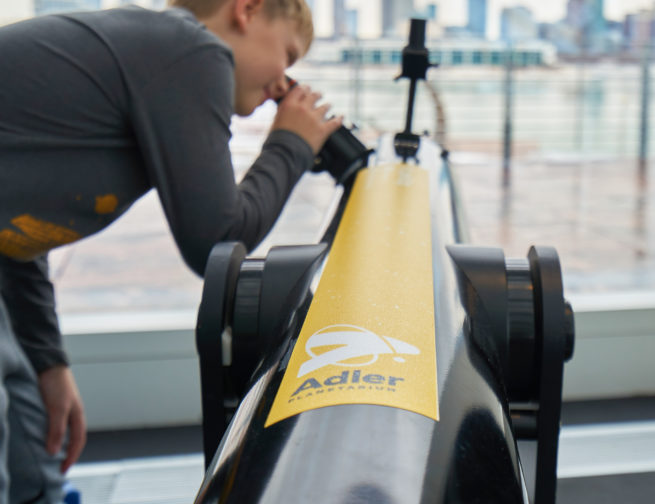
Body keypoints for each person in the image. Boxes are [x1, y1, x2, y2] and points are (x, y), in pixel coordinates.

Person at [0, 0, 341, 501]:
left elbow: (18, 241)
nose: (282, 86)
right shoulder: (190, 49)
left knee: (30, 444)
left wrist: (50, 364)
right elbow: (218, 242)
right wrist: (291, 144)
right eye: (287, 54)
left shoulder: (154, 54)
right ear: (245, 10)